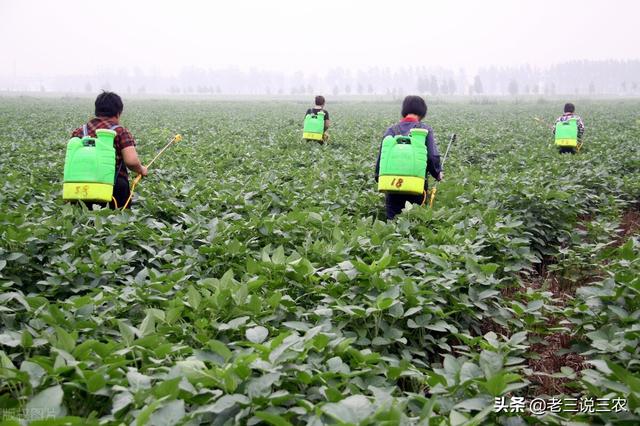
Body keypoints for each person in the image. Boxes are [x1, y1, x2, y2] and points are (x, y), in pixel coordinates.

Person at [70, 91, 147, 208]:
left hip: (80, 188)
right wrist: (141, 169)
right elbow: (131, 161)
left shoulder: (80, 131)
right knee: (117, 223)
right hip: (112, 189)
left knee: (83, 222)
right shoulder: (120, 131)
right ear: (118, 113)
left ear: (97, 111)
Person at [375, 96, 443, 220]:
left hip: (392, 184)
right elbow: (432, 156)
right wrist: (437, 173)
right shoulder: (424, 130)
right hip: (416, 185)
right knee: (415, 220)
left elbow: (382, 155)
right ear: (423, 112)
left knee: (393, 221)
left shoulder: (392, 130)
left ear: (404, 110)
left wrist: (378, 177)